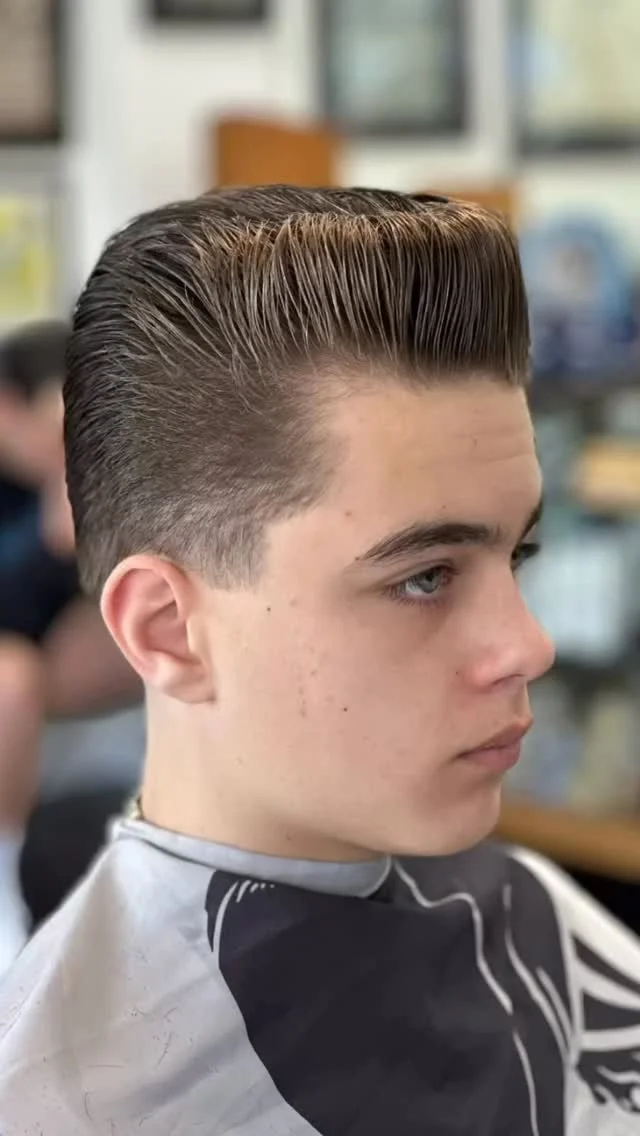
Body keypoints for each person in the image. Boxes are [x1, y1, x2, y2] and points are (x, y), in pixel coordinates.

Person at [0, 187, 639, 1134]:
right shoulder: (72, 1105)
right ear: (168, 630)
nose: (528, 645)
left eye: (518, 555)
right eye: (425, 577)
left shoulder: (531, 910)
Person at [0, 321, 140, 975]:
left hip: (54, 651)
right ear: (8, 408)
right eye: (62, 423)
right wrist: (47, 545)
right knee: (12, 680)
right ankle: (5, 877)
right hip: (16, 658)